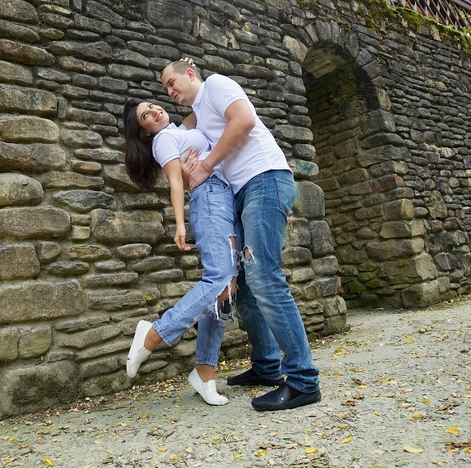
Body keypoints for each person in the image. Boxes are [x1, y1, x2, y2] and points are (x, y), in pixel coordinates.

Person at [160, 59, 322, 412]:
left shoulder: (215, 84)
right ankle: (267, 367)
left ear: (191, 74)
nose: (170, 91)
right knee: (245, 284)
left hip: (264, 178)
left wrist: (203, 167)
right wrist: (184, 169)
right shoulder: (198, 115)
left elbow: (245, 121)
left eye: (173, 82)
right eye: (166, 89)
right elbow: (170, 136)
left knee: (264, 275)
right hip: (243, 190)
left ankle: (304, 381)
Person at [121, 97, 238, 406]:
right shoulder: (164, 139)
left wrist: (191, 69)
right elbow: (175, 181)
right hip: (209, 197)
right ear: (145, 131)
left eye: (153, 106)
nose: (155, 111)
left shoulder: (178, 129)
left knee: (225, 292)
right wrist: (179, 224)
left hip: (224, 197)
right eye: (146, 115)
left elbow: (199, 106)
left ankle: (205, 374)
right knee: (221, 277)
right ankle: (154, 334)